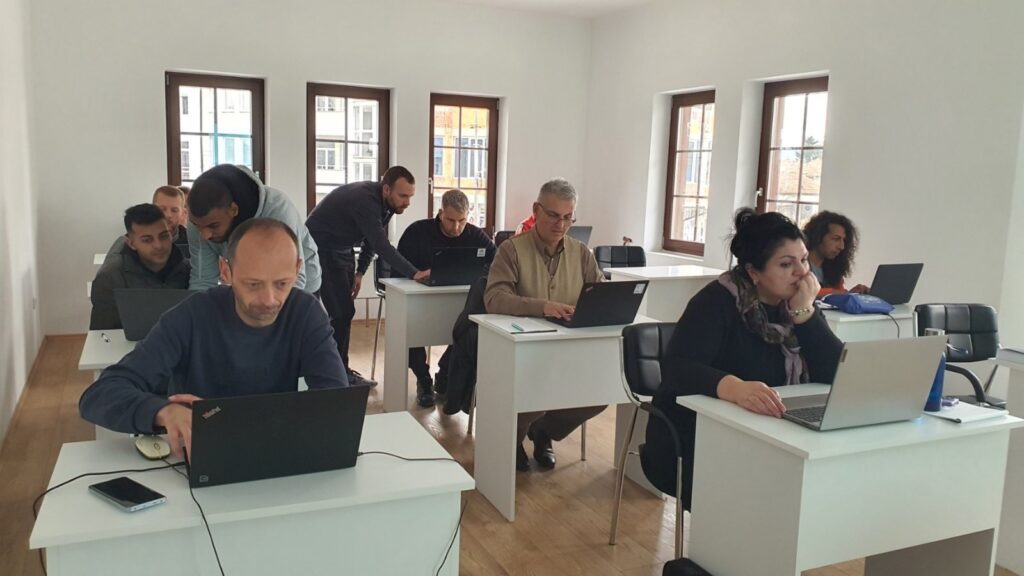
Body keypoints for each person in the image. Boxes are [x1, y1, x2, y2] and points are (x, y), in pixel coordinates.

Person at [80, 218, 349, 459]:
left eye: (282, 283)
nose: (269, 300)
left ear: (298, 269)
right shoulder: (191, 316)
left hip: (274, 451)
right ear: (226, 271)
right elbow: (99, 395)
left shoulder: (306, 312)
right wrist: (161, 411)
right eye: (253, 284)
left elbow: (336, 402)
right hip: (200, 455)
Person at [642, 208, 843, 508]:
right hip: (698, 435)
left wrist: (805, 315)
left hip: (776, 431)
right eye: (786, 264)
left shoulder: (799, 305)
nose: (802, 272)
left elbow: (834, 372)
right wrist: (733, 387)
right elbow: (678, 369)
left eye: (803, 260)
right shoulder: (716, 302)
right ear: (753, 272)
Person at [484, 178, 605, 471]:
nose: (560, 224)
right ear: (536, 210)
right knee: (535, 394)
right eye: (553, 215)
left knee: (601, 392)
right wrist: (542, 306)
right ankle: (512, 439)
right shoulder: (511, 250)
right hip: (524, 351)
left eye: (568, 217)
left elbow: (600, 293)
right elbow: (494, 298)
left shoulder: (581, 253)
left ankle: (544, 431)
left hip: (570, 349)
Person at [306, 166, 427, 388]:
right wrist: (414, 273)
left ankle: (339, 371)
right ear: (387, 189)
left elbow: (371, 241)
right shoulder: (365, 200)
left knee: (343, 313)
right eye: (403, 196)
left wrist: (360, 272)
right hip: (319, 248)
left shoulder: (389, 205)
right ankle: (336, 375)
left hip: (342, 249)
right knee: (340, 314)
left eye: (410, 196)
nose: (407, 202)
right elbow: (382, 245)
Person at [396, 189, 495, 407]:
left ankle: (445, 374)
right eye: (451, 220)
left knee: (467, 330)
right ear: (441, 213)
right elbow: (397, 267)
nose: (457, 227)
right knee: (410, 330)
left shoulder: (475, 235)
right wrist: (415, 273)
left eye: (462, 221)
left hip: (459, 300)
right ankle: (424, 379)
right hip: (416, 301)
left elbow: (496, 262)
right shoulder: (417, 232)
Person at [186, 164, 321, 294]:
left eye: (214, 225)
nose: (205, 235)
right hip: (247, 289)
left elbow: (293, 280)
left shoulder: (278, 211)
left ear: (233, 209)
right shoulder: (200, 220)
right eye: (197, 226)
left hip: (301, 288)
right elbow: (202, 281)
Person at [90, 204, 190, 330]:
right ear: (131, 243)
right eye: (147, 240)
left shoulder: (188, 271)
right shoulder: (110, 278)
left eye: (163, 236)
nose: (158, 245)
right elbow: (102, 334)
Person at [802, 210, 868, 296]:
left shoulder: (833, 268)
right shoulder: (797, 265)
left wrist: (851, 294)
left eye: (844, 240)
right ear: (817, 236)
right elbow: (802, 292)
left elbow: (839, 294)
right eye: (836, 239)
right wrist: (837, 293)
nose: (842, 247)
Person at [152, 185, 190, 256]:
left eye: (174, 210)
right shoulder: (137, 240)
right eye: (162, 209)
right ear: (152, 210)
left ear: (182, 213)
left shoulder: (192, 242)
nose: (168, 215)